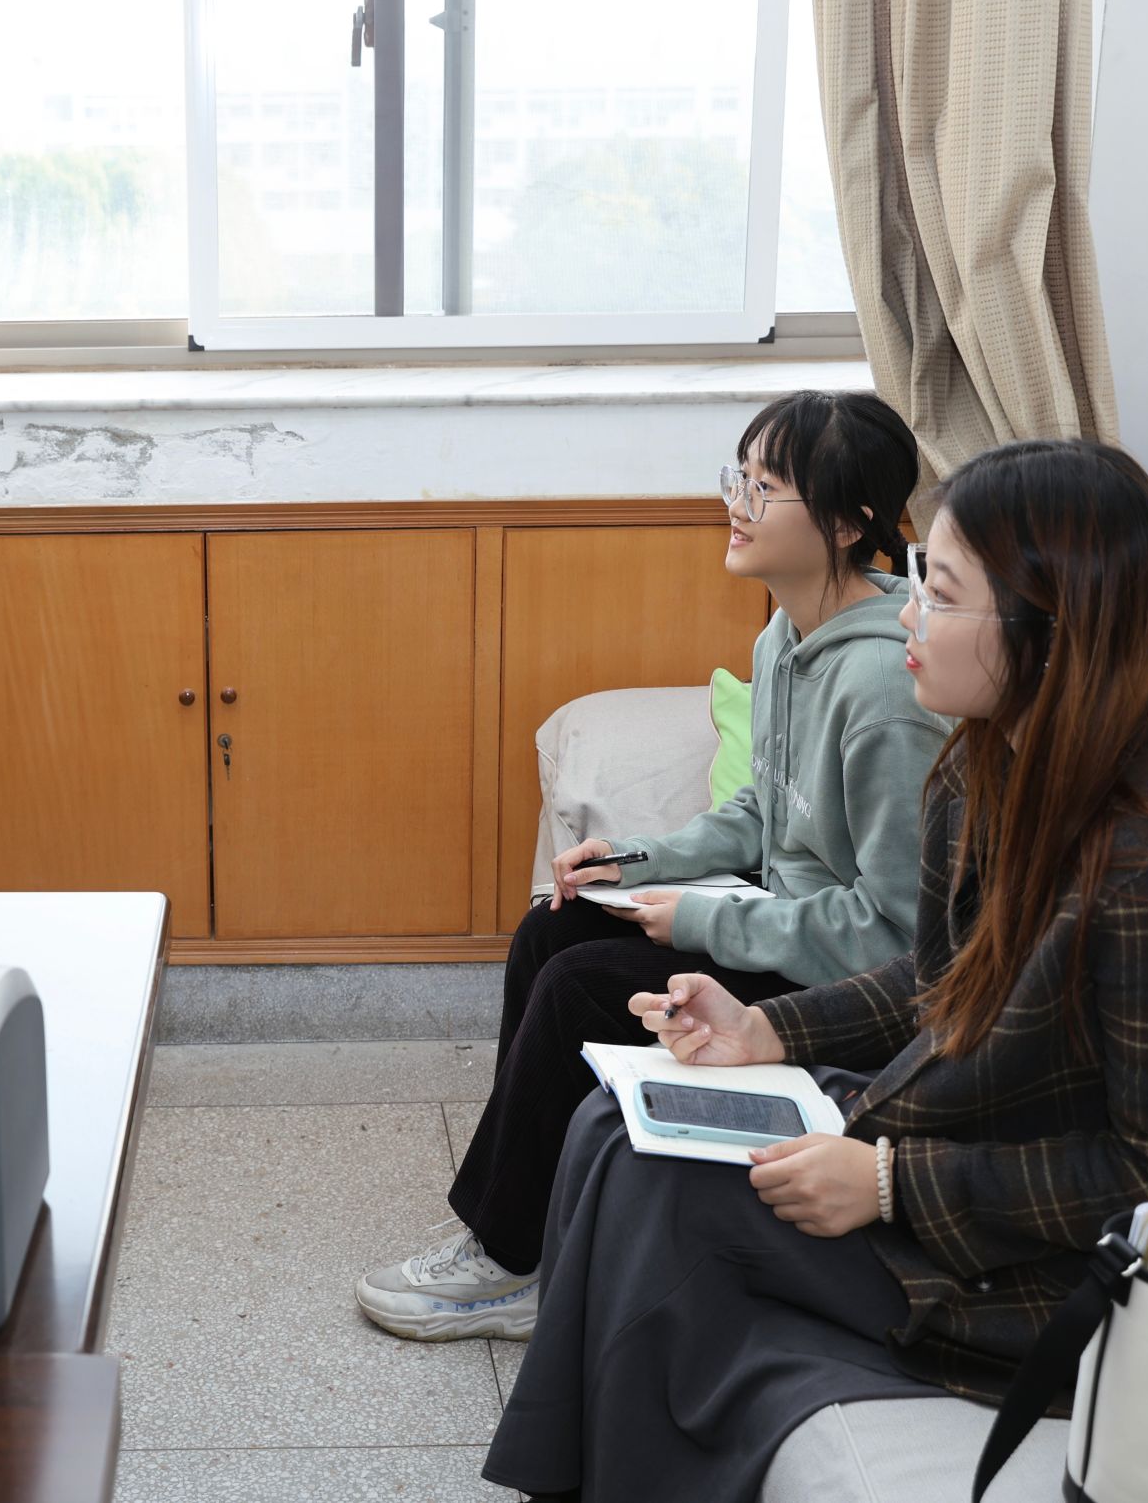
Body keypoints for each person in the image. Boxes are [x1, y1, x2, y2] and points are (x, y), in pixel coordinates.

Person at [483, 439, 1148, 1503]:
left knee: (670, 1194)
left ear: (1050, 629)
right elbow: (938, 982)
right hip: (991, 1140)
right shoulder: (980, 767)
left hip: (1108, 1279)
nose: (905, 616)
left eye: (938, 593)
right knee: (620, 1122)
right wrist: (766, 1032)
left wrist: (893, 1183)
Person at [357, 392, 948, 1341]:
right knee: (554, 927)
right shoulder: (784, 636)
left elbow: (892, 934)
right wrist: (636, 862)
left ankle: (511, 1265)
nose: (738, 504)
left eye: (767, 487)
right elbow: (760, 812)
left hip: (847, 986)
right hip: (781, 921)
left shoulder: (884, 692)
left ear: (847, 523)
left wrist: (702, 918)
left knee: (581, 987)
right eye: (739, 478)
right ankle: (531, 1228)